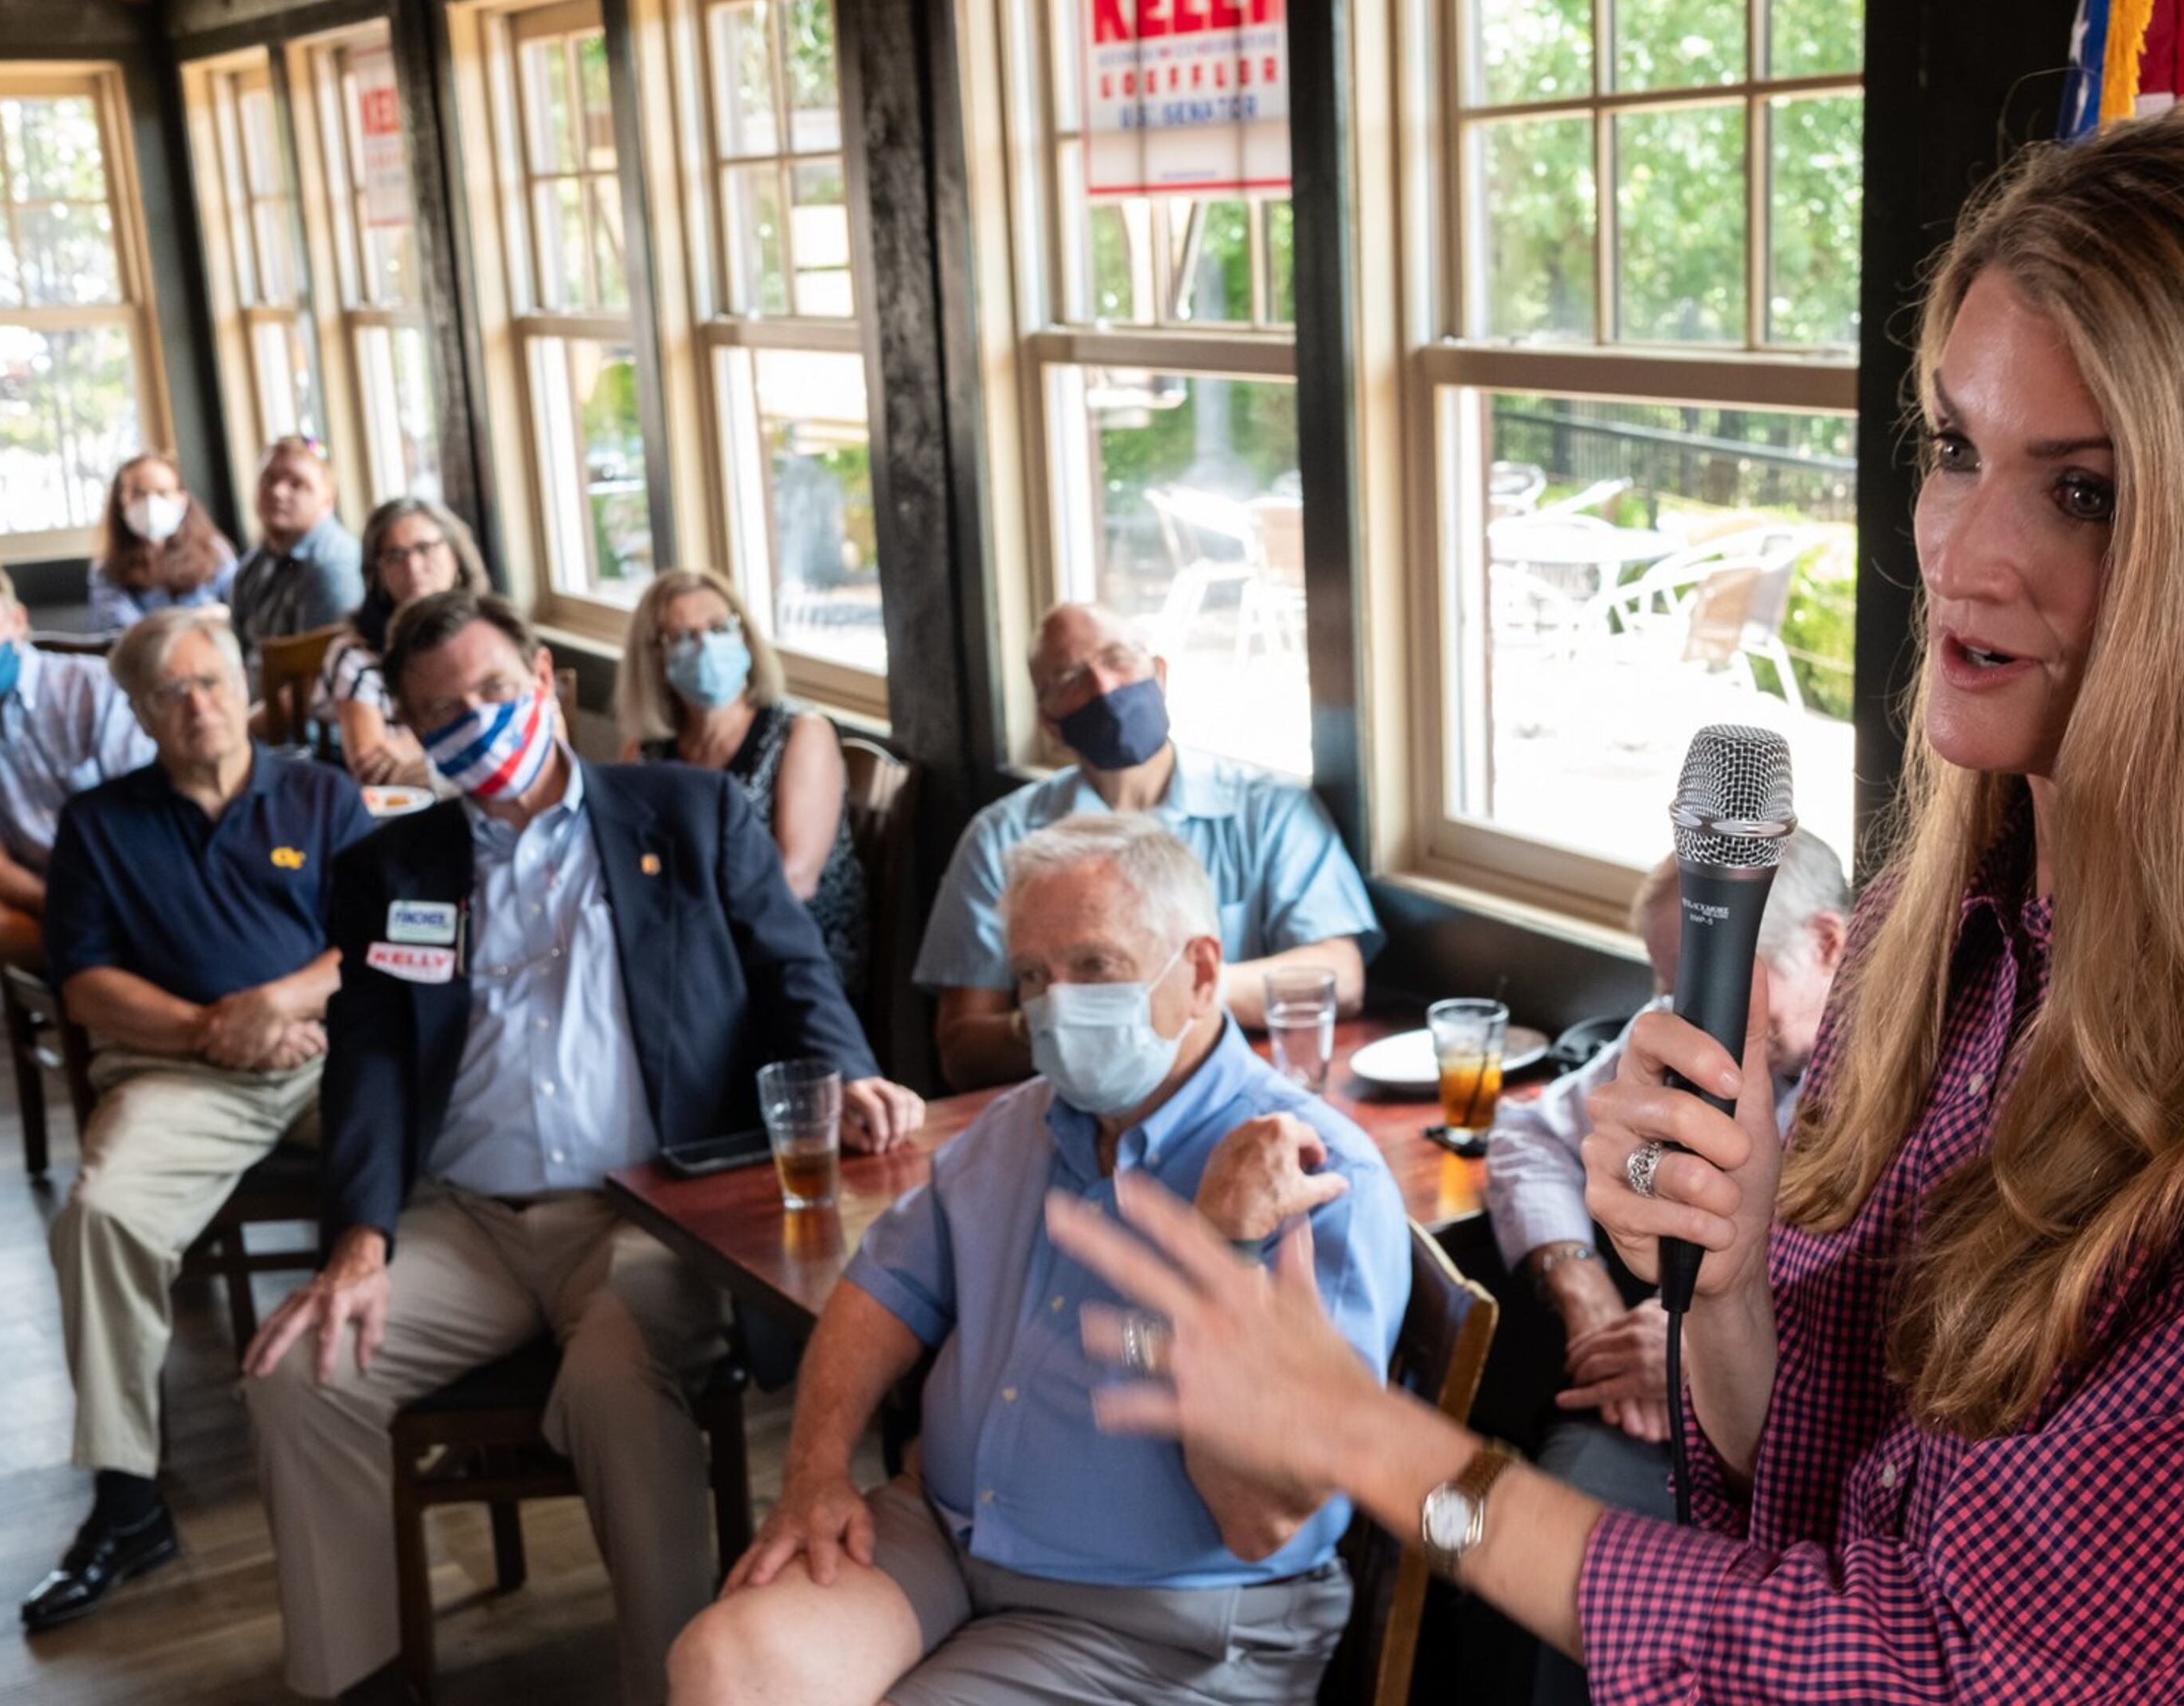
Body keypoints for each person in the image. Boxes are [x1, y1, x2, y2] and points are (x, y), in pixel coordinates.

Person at [1034, 97, 2184, 1704]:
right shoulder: (1949, 941)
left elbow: (1936, 1661)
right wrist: (1726, 1287)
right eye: (1956, 449)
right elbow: (1807, 1492)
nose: (1963, 553)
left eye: (2087, 493)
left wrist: (1376, 1443)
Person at [239, 591, 923, 1705]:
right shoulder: (392, 872)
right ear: (414, 731)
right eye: (442, 712)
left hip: (649, 1213)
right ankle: (355, 1686)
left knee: (614, 1378)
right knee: (296, 1379)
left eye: (495, 692)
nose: (478, 721)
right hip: (466, 1219)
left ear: (546, 680)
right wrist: (358, 1242)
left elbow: (794, 972)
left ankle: (674, 1685)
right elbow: (364, 1064)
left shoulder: (687, 816)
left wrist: (848, 1074)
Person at [666, 812, 1412, 1706]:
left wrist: (1222, 1255)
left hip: (1155, 1619)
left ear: (1203, 972)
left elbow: (1261, 1520)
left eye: (1094, 966)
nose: (1057, 1006)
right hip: (946, 1537)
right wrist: (815, 1472)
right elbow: (882, 1290)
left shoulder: (1315, 1181)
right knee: (723, 1667)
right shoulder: (1016, 1124)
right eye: (1031, 976)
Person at [21, 606, 373, 1632]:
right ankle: (126, 1501)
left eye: (211, 681)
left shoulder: (320, 795)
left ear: (243, 687)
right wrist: (217, 1028)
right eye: (169, 692)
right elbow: (83, 986)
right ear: (138, 711)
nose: (197, 705)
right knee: (102, 1215)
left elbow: (378, 943)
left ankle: (436, 1408)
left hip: (321, 1057)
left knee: (440, 1153)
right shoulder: (98, 822)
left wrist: (286, 1003)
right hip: (182, 1072)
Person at [1481, 832, 1847, 1706]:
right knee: (1537, 1531)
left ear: (1829, 944)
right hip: (1668, 1412)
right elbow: (1531, 1134)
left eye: (1709, 981)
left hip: (1840, 1440)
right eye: (1666, 983)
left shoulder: (1926, 1052)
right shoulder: (1697, 1026)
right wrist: (1587, 1293)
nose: (1685, 1011)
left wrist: (1695, 1349)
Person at [917, 603, 1379, 1090]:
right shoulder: (1001, 838)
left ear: (1158, 674)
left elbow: (1340, 977)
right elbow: (962, 1050)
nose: (1104, 687)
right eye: (1072, 677)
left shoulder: (1269, 809)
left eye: (1118, 659)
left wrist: (1169, 991)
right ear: (1050, 722)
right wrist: (1061, 1020)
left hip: (1231, 1086)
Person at [618, 569, 868, 995]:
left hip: (792, 959)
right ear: (655, 660)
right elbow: (626, 865)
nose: (705, 647)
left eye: (718, 628)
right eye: (682, 636)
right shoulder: (647, 753)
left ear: (744, 636)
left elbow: (795, 880)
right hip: (686, 954)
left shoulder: (799, 732)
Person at [0, 549, 154, 971]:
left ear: (17, 620)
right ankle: (113, 963)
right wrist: (68, 905)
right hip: (48, 899)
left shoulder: (93, 686)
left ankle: (104, 966)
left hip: (134, 873)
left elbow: (147, 811)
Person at [320, 496, 490, 787]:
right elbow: (372, 771)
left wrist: (408, 745)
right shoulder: (356, 654)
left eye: (425, 549)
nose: (412, 566)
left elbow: (540, 731)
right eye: (395, 557)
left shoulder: (493, 636)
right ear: (378, 574)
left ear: (455, 555)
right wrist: (472, 736)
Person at [228, 436, 362, 711]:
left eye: (297, 484)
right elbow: (237, 654)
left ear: (328, 500)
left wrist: (244, 727)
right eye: (268, 479)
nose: (278, 492)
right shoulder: (254, 562)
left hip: (303, 730)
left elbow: (322, 679)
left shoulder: (332, 567)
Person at [88, 451, 238, 632]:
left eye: (162, 492)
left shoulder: (215, 552)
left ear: (182, 499)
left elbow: (242, 611)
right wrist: (196, 620)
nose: (151, 503)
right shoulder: (107, 569)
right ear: (121, 503)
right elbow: (124, 635)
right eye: (138, 494)